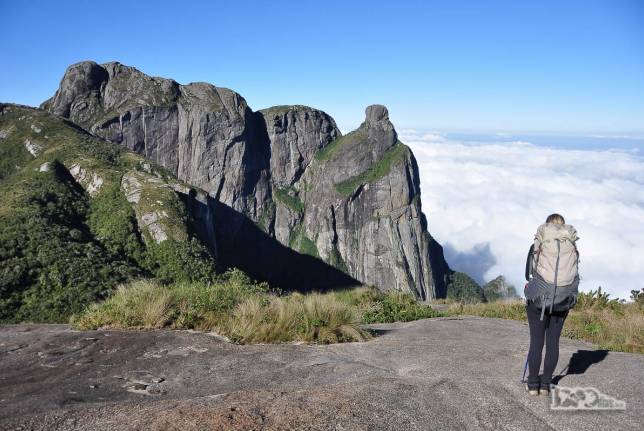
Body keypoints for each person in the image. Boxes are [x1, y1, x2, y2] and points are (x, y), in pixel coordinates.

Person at [524, 213, 580, 396]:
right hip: (563, 299)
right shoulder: (570, 243)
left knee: (536, 342)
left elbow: (530, 271)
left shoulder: (539, 242)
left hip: (540, 299)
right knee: (553, 343)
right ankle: (546, 385)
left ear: (547, 226)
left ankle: (533, 385)